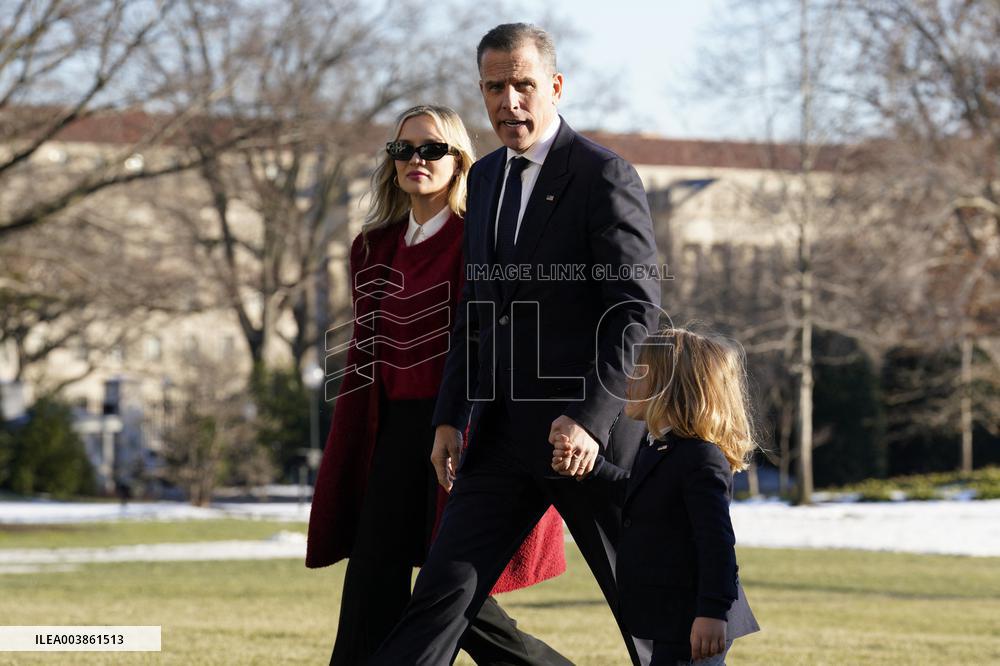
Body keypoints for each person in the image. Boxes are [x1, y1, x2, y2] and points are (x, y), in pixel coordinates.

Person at [372, 24, 662, 666]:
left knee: (649, 609)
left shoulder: (603, 175)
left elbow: (635, 310)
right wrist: (449, 416)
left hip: (585, 441)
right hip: (499, 437)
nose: (509, 102)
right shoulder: (487, 179)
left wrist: (588, 418)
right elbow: (476, 312)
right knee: (440, 596)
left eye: (523, 85)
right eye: (494, 88)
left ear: (555, 87)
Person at [305, 104, 570, 666]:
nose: (416, 160)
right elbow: (368, 352)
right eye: (403, 150)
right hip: (390, 432)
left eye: (431, 149)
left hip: (465, 427)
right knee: (371, 576)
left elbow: (492, 340)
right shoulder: (372, 247)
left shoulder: (481, 238)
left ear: (459, 162)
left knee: (450, 588)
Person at [553, 327, 761, 665]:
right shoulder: (658, 448)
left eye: (640, 371)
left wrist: (712, 612)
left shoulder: (700, 457)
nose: (628, 380)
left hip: (695, 622)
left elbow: (716, 544)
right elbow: (637, 492)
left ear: (668, 387)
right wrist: (590, 467)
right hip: (671, 620)